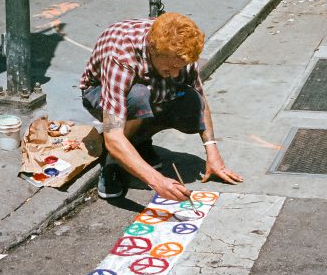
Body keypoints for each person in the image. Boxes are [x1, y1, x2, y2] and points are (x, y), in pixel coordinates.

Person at [80, 13, 243, 201]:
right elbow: (112, 135)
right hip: (101, 93)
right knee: (138, 96)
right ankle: (112, 162)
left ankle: (139, 139)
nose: (175, 74)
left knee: (191, 101)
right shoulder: (121, 55)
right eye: (170, 67)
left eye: (180, 68)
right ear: (153, 50)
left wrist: (212, 151)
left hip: (150, 89)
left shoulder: (180, 56)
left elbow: (201, 100)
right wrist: (157, 181)